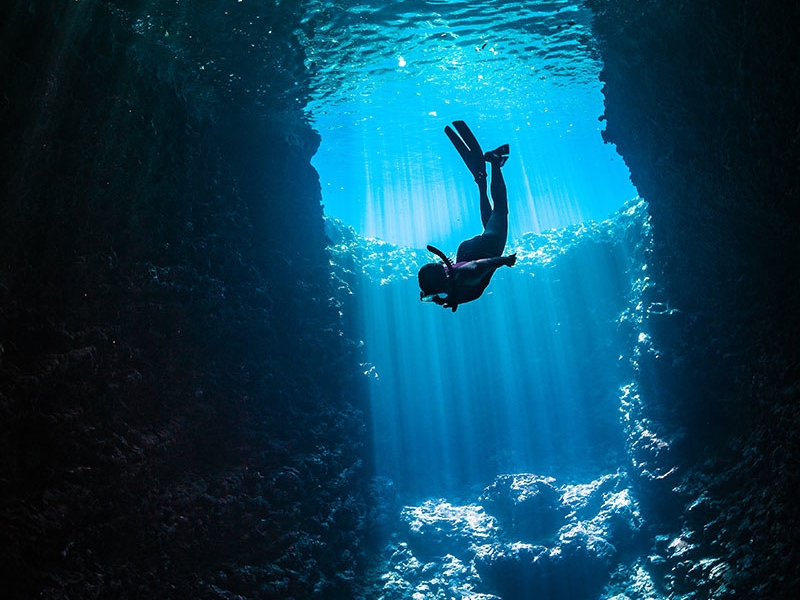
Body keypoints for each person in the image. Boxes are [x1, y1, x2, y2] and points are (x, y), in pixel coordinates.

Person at [418, 121, 517, 312]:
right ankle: (482, 181)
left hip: (484, 251)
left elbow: (481, 266)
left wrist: (504, 260)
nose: (443, 265)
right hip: (467, 251)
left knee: (500, 211)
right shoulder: (453, 289)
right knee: (491, 223)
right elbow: (475, 269)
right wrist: (442, 299)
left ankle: (495, 161)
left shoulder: (462, 278)